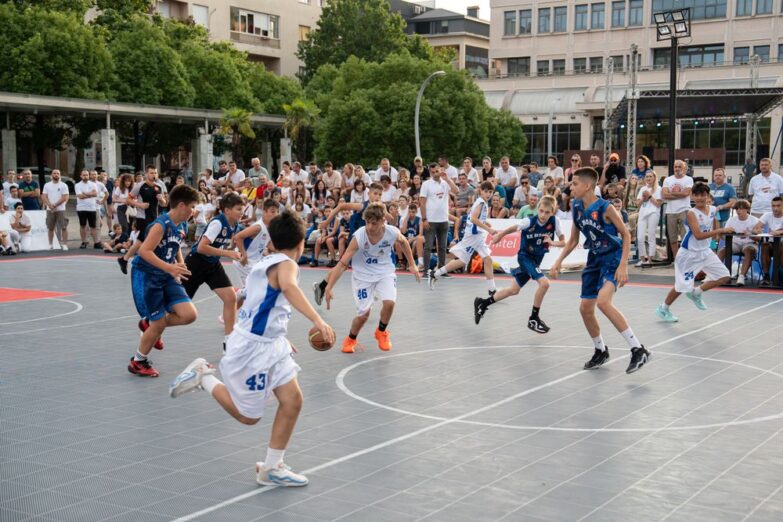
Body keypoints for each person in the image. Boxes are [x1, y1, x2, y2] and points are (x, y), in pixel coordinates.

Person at [169, 212, 335, 487]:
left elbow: (250, 301)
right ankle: (204, 377)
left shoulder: (264, 262)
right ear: (302, 242)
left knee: (293, 400)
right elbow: (289, 287)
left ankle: (271, 467)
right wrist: (317, 319)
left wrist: (274, 335)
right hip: (253, 348)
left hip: (268, 343)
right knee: (248, 416)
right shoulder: (286, 264)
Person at [550, 167, 650, 374]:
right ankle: (601, 350)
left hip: (612, 257)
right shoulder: (576, 206)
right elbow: (573, 241)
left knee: (604, 302)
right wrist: (558, 261)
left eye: (575, 183)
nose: (571, 186)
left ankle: (638, 349)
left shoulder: (606, 208)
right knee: (585, 308)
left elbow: (626, 235)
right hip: (594, 258)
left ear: (587, 186)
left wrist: (623, 265)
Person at [324, 203, 419, 353]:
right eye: (367, 222)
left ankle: (381, 331)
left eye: (373, 223)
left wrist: (412, 264)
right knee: (364, 315)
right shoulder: (360, 236)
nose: (369, 227)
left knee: (389, 303)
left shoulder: (391, 232)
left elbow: (404, 242)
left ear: (383, 221)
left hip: (384, 272)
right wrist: (329, 286)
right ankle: (351, 338)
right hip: (362, 275)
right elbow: (342, 264)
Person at [128, 185, 200, 377]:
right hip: (148, 276)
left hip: (167, 274)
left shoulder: (182, 224)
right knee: (158, 324)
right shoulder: (160, 225)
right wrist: (169, 268)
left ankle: (149, 323)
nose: (194, 211)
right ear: (182, 205)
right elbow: (144, 251)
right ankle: (138, 361)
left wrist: (180, 265)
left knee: (189, 315)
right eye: (192, 207)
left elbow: (175, 246)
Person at [474, 195, 565, 332]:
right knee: (545, 284)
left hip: (536, 260)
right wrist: (499, 235)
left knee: (513, 290)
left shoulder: (555, 221)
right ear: (538, 209)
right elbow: (514, 227)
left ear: (552, 212)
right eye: (541, 211)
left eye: (547, 212)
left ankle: (482, 303)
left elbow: (564, 242)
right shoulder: (529, 221)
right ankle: (534, 318)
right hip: (525, 257)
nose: (543, 215)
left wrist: (553, 242)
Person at [655, 183, 732, 322]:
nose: (700, 198)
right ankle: (663, 308)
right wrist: (720, 231)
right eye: (696, 195)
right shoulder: (691, 213)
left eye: (703, 194)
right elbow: (698, 235)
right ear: (692, 196)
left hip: (705, 252)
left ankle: (696, 293)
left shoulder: (713, 209)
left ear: (708, 196)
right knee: (682, 286)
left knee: (724, 276)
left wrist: (717, 235)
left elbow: (714, 224)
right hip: (688, 254)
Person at [183, 192, 244, 349]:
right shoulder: (217, 223)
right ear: (227, 210)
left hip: (212, 264)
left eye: (242, 208)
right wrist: (227, 253)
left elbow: (223, 243)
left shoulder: (234, 224)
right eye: (238, 209)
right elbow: (202, 247)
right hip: (195, 264)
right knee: (179, 309)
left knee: (231, 298)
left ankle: (229, 342)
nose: (242, 211)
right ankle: (152, 325)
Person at [429, 181, 497, 294]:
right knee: (462, 261)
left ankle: (492, 290)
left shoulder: (483, 203)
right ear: (481, 191)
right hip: (473, 236)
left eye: (490, 192)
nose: (488, 194)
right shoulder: (481, 202)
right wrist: (489, 229)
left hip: (478, 236)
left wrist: (486, 224)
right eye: (486, 191)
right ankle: (435, 273)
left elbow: (477, 218)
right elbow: (474, 219)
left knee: (488, 260)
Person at [118, 165, 169, 274]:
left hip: (155, 218)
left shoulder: (158, 187)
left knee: (142, 241)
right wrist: (139, 205)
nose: (154, 175)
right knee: (145, 240)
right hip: (143, 218)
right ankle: (146, 263)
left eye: (155, 173)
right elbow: (128, 200)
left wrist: (162, 200)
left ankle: (125, 259)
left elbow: (164, 204)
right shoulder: (140, 186)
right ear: (146, 174)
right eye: (151, 173)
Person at [233, 198, 280, 310]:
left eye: (277, 212)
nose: (275, 214)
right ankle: (238, 294)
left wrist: (285, 253)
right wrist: (244, 255)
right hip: (244, 262)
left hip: (255, 262)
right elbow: (238, 237)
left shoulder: (269, 228)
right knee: (254, 290)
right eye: (272, 211)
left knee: (252, 291)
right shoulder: (258, 227)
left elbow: (269, 245)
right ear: (264, 212)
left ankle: (227, 315)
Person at [420, 164, 458, 274]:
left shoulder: (446, 183)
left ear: (440, 170)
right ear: (430, 173)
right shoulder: (426, 184)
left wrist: (448, 179)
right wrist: (424, 219)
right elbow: (422, 203)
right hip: (431, 220)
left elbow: (456, 191)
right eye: (433, 172)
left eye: (437, 171)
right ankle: (426, 270)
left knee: (442, 246)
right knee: (428, 246)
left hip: (444, 219)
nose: (435, 173)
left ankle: (442, 270)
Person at [718, 199, 758, 286]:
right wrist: (723, 233)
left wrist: (749, 234)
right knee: (722, 251)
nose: (738, 211)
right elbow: (724, 236)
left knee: (749, 250)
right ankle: (715, 275)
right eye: (737, 209)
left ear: (747, 209)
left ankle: (742, 276)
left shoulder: (754, 220)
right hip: (735, 243)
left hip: (749, 242)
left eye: (741, 209)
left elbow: (759, 239)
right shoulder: (731, 220)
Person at [662, 159, 694, 258]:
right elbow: (664, 195)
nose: (677, 169)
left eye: (679, 167)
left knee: (685, 236)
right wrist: (680, 194)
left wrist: (671, 193)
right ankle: (677, 259)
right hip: (670, 212)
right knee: (672, 237)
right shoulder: (667, 180)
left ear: (684, 168)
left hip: (684, 210)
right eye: (675, 167)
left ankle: (685, 257)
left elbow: (686, 193)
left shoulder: (688, 179)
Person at [752, 195, 783, 286]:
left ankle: (779, 273)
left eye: (778, 206)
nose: (775, 208)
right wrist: (757, 230)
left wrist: (779, 232)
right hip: (771, 244)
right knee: (764, 245)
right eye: (773, 206)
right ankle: (766, 276)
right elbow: (755, 228)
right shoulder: (767, 215)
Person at [635, 171, 662, 266]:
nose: (648, 178)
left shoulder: (659, 189)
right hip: (642, 213)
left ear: (654, 178)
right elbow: (637, 204)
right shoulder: (643, 188)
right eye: (647, 176)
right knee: (640, 237)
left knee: (651, 235)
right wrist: (643, 198)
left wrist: (650, 196)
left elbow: (658, 204)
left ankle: (650, 259)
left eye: (650, 176)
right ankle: (642, 259)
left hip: (653, 213)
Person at [41, 169, 70, 251]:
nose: (56, 174)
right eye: (54, 173)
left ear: (60, 175)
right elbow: (44, 196)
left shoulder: (64, 185)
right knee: (50, 227)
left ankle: (64, 244)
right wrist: (50, 205)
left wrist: (55, 205)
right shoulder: (47, 185)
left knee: (63, 227)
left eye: (58, 173)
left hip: (61, 209)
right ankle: (50, 244)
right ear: (51, 175)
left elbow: (64, 197)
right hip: (50, 209)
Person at [74, 169, 101, 249]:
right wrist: (90, 194)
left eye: (87, 175)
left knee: (93, 226)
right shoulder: (77, 185)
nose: (85, 176)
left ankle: (96, 243)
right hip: (81, 208)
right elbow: (80, 196)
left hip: (92, 208)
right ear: (81, 176)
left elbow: (95, 194)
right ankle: (84, 242)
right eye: (84, 175)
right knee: (83, 225)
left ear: (88, 176)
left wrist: (85, 193)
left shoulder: (93, 184)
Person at [400, 203, 424, 269]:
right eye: (410, 212)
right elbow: (403, 231)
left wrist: (412, 239)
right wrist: (407, 217)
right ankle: (402, 262)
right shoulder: (405, 219)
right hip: (408, 238)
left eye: (413, 212)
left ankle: (410, 263)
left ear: (416, 212)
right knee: (398, 243)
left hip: (415, 238)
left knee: (414, 244)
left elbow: (420, 234)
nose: (411, 213)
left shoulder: (419, 220)